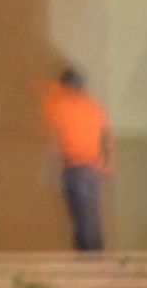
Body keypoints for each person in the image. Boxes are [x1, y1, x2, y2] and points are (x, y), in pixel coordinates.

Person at [42, 65, 111, 253]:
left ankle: (88, 252)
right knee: (89, 212)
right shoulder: (94, 106)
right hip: (89, 167)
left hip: (78, 167)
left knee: (82, 213)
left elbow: (55, 135)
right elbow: (106, 135)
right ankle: (93, 250)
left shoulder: (64, 106)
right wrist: (108, 163)